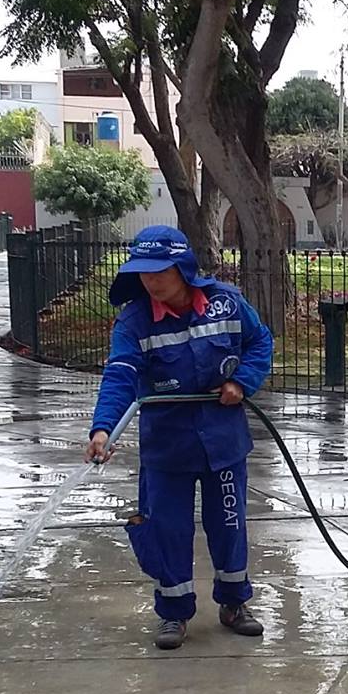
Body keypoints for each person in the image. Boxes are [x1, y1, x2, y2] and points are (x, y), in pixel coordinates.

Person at [87, 225, 274, 650]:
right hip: (167, 445)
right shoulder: (135, 321)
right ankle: (173, 612)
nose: (151, 281)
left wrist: (242, 382)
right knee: (167, 529)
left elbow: (259, 341)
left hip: (223, 441)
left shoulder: (226, 303)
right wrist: (103, 429)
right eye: (143, 273)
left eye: (160, 272)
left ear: (183, 268)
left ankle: (234, 603)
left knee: (228, 524)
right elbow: (120, 375)